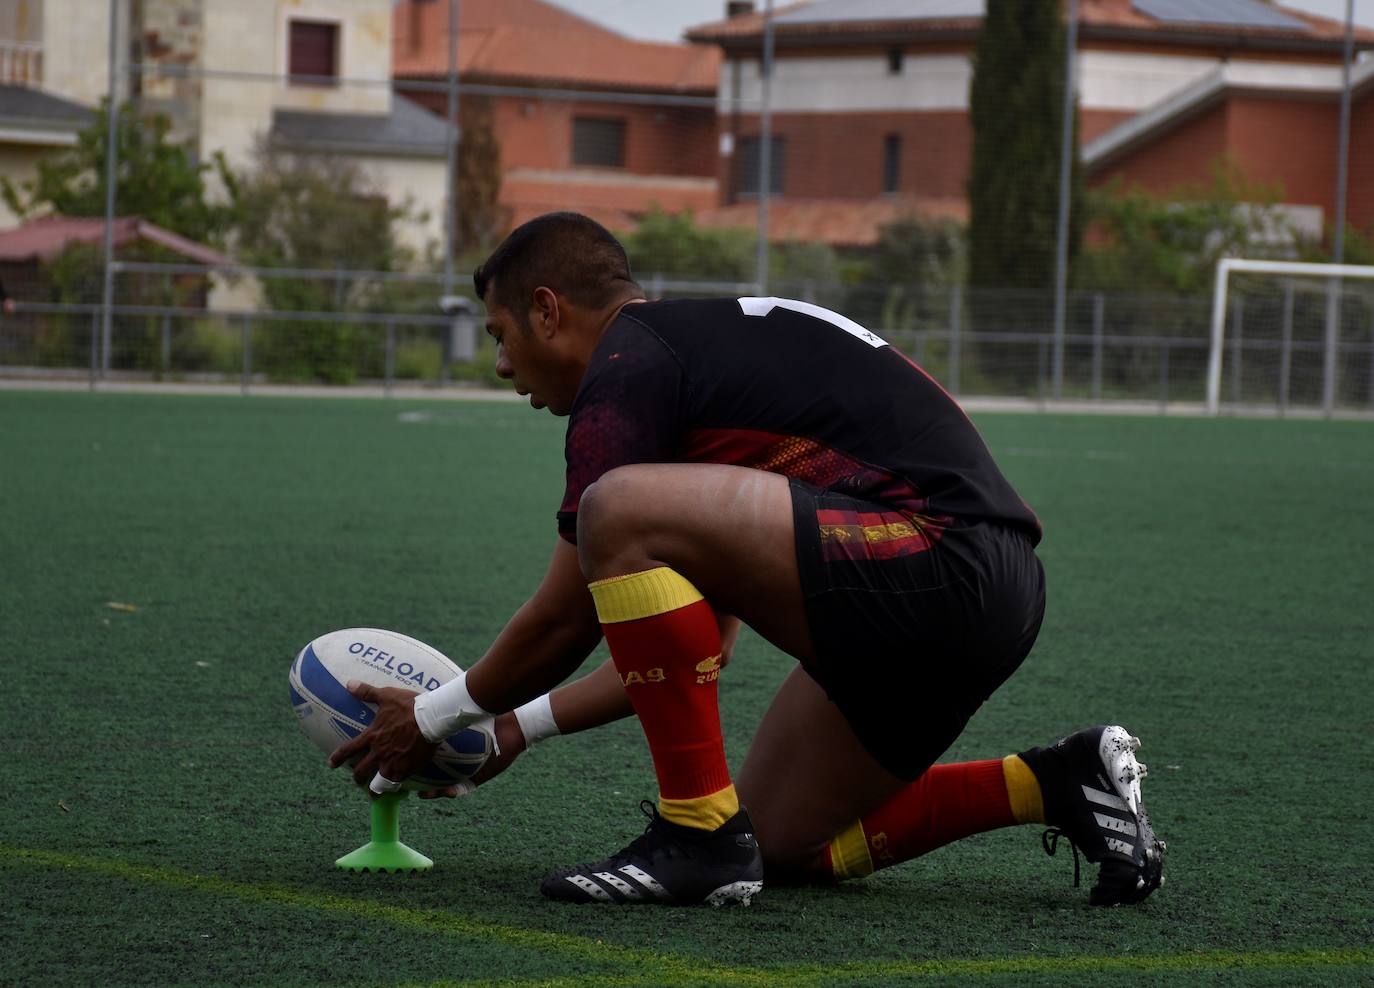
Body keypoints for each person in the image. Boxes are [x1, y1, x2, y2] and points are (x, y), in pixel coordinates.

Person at [330, 212, 1165, 907]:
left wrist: (435, 716)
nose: (504, 367)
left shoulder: (628, 365)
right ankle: (1055, 782)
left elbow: (565, 615)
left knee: (612, 506)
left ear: (549, 311)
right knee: (780, 843)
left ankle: (693, 833)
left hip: (935, 558)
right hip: (986, 589)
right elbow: (694, 649)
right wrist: (514, 726)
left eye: (503, 335)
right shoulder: (698, 365)